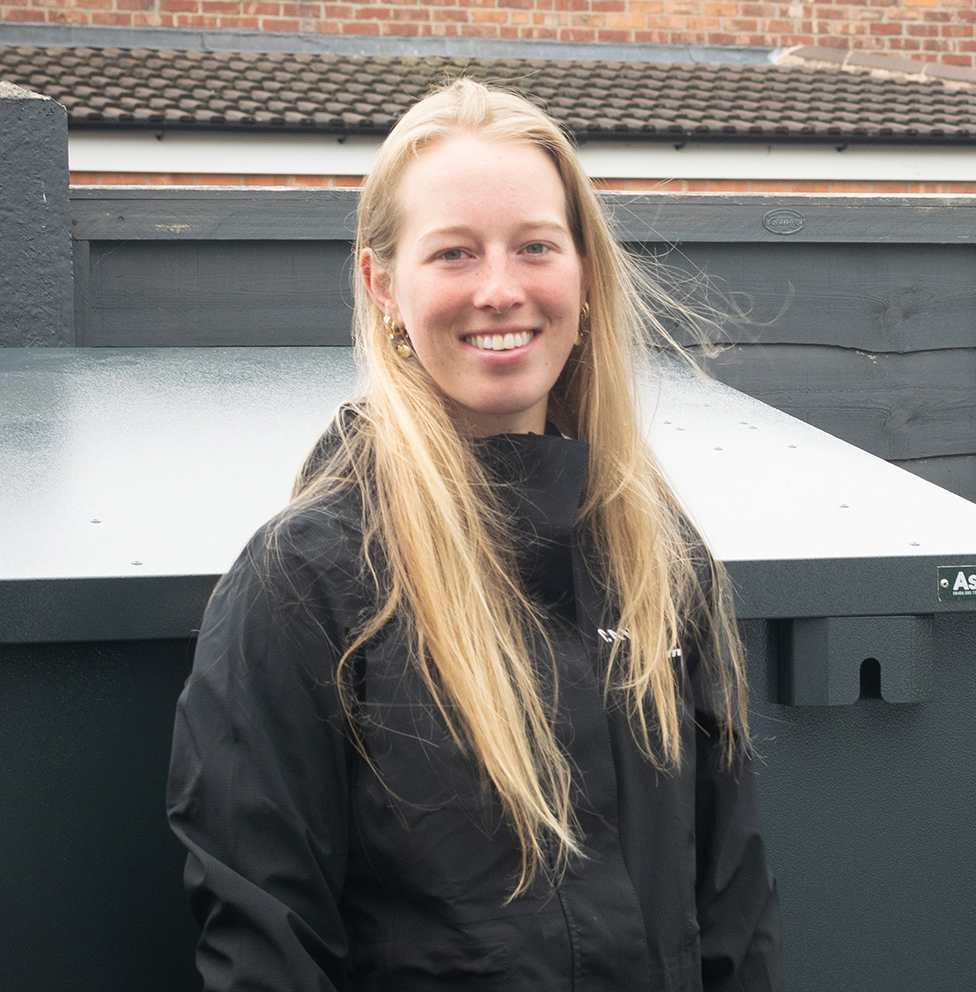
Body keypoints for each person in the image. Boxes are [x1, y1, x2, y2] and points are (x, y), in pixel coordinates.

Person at [165, 78, 781, 992]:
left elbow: (731, 913)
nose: (500, 289)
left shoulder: (656, 556)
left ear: (583, 273)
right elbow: (267, 948)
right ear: (381, 286)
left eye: (535, 246)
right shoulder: (307, 582)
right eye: (453, 254)